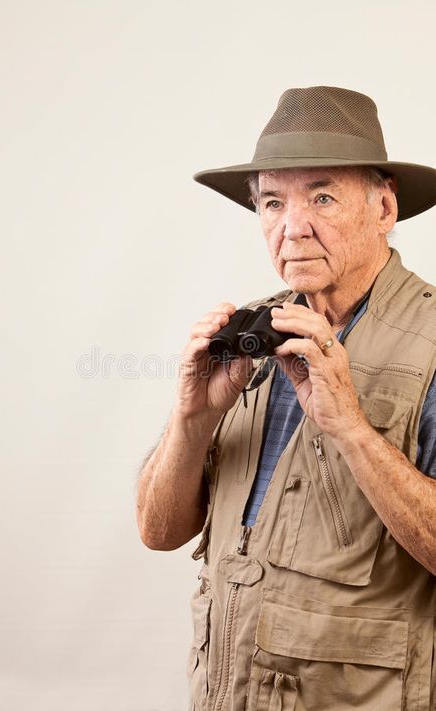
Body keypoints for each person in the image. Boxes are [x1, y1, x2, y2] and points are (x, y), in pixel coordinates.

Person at [136, 86, 436, 710]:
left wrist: (351, 427)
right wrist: (193, 419)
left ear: (384, 208)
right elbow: (158, 531)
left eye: (322, 196)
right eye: (272, 202)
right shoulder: (249, 336)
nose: (293, 227)